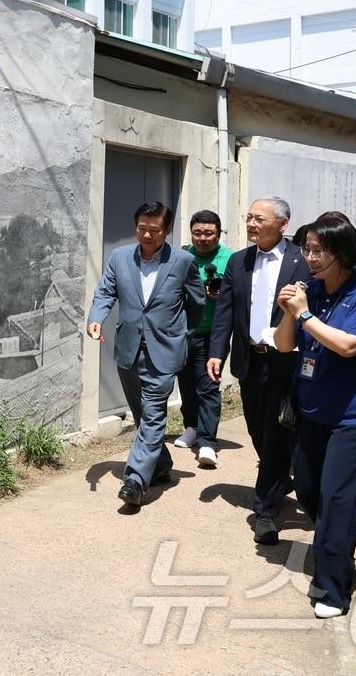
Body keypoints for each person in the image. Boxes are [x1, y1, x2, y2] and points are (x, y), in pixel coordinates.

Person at [275, 214, 356, 618]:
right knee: (308, 490)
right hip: (312, 411)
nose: (309, 257)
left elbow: (348, 345)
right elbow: (284, 345)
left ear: (342, 252)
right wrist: (290, 313)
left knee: (338, 501)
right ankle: (334, 545)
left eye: (318, 250)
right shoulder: (314, 292)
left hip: (354, 417)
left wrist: (305, 314)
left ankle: (332, 589)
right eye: (305, 249)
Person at [87, 201, 203, 509]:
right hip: (128, 349)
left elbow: (197, 303)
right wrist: (96, 318)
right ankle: (161, 463)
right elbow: (105, 291)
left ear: (166, 230)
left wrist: (181, 335)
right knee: (141, 414)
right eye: (142, 229)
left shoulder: (182, 261)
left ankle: (136, 481)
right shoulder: (120, 257)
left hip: (164, 353)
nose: (147, 235)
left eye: (154, 230)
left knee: (153, 415)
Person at [207, 197, 309, 545]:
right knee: (256, 429)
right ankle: (281, 475)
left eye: (259, 218)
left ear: (283, 223)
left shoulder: (302, 260)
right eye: (248, 218)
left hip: (287, 360)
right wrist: (217, 353)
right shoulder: (238, 261)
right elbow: (225, 313)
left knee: (278, 428)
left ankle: (265, 509)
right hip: (250, 360)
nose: (251, 224)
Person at [177, 210, 232, 468]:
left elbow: (237, 296)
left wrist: (218, 295)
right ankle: (191, 427)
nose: (202, 238)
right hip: (183, 333)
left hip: (213, 335)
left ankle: (208, 442)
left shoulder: (230, 259)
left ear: (218, 234)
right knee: (186, 385)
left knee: (208, 387)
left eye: (209, 233)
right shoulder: (181, 255)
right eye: (197, 233)